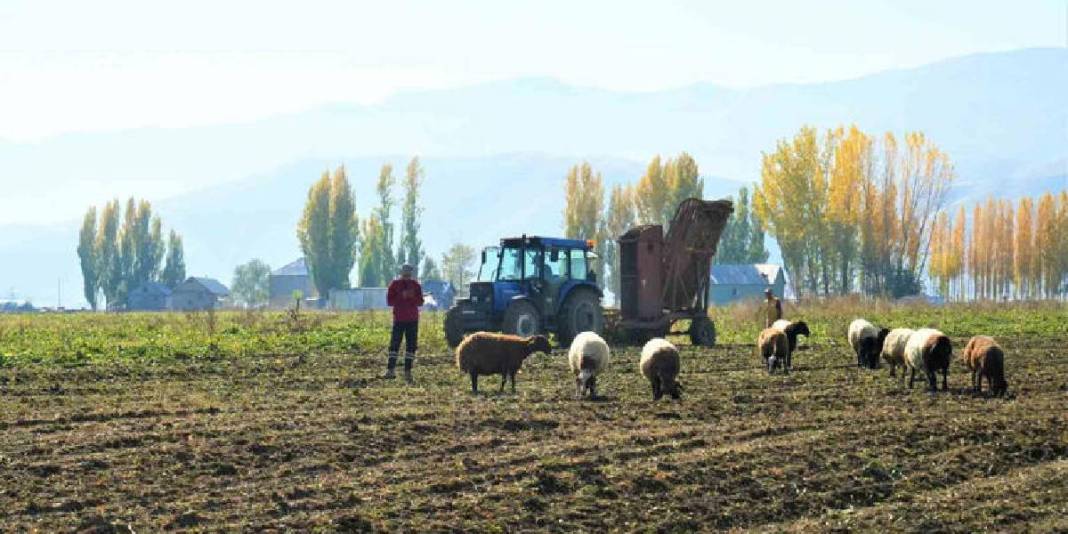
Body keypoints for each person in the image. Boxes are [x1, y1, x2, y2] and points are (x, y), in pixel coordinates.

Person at [385, 264, 424, 383]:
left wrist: (412, 298)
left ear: (411, 273)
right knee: (394, 345)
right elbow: (389, 301)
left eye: (409, 272)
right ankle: (390, 370)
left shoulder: (416, 285)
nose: (407, 274)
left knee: (411, 346)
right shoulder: (395, 285)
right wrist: (401, 296)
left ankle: (408, 372)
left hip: (412, 319)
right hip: (399, 319)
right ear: (401, 272)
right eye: (405, 271)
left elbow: (420, 302)